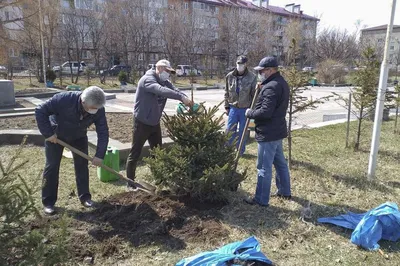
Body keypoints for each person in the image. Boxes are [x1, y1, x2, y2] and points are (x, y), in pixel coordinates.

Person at [35, 86, 109, 215]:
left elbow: (103, 132)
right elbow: (40, 110)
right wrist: (48, 133)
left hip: (79, 136)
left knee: (82, 166)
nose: (94, 111)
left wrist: (99, 155)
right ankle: (48, 202)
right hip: (56, 136)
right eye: (92, 108)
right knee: (52, 166)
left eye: (96, 109)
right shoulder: (63, 99)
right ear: (83, 101)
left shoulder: (98, 109)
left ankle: (85, 197)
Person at [125, 59, 193, 188]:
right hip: (142, 122)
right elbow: (160, 90)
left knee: (158, 152)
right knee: (135, 152)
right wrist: (180, 98)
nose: (168, 74)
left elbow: (175, 90)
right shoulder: (147, 79)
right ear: (160, 68)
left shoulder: (165, 81)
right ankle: (130, 183)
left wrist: (186, 98)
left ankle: (160, 180)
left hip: (155, 123)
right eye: (167, 71)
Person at [244, 56, 291, 207]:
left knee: (263, 167)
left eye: (262, 71)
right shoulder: (281, 83)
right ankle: (284, 191)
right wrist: (263, 87)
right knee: (280, 164)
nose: (260, 73)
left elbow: (265, 112)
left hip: (268, 133)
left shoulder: (271, 87)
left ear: (270, 70)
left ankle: (260, 199)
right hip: (277, 131)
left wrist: (249, 113)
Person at [225, 55, 257, 155]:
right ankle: (228, 150)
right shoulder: (230, 76)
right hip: (233, 108)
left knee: (243, 131)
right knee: (230, 130)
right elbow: (227, 92)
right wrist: (227, 106)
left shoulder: (252, 77)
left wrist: (253, 110)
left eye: (242, 64)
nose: (240, 66)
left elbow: (254, 95)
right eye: (238, 64)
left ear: (245, 65)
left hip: (245, 109)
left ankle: (240, 151)